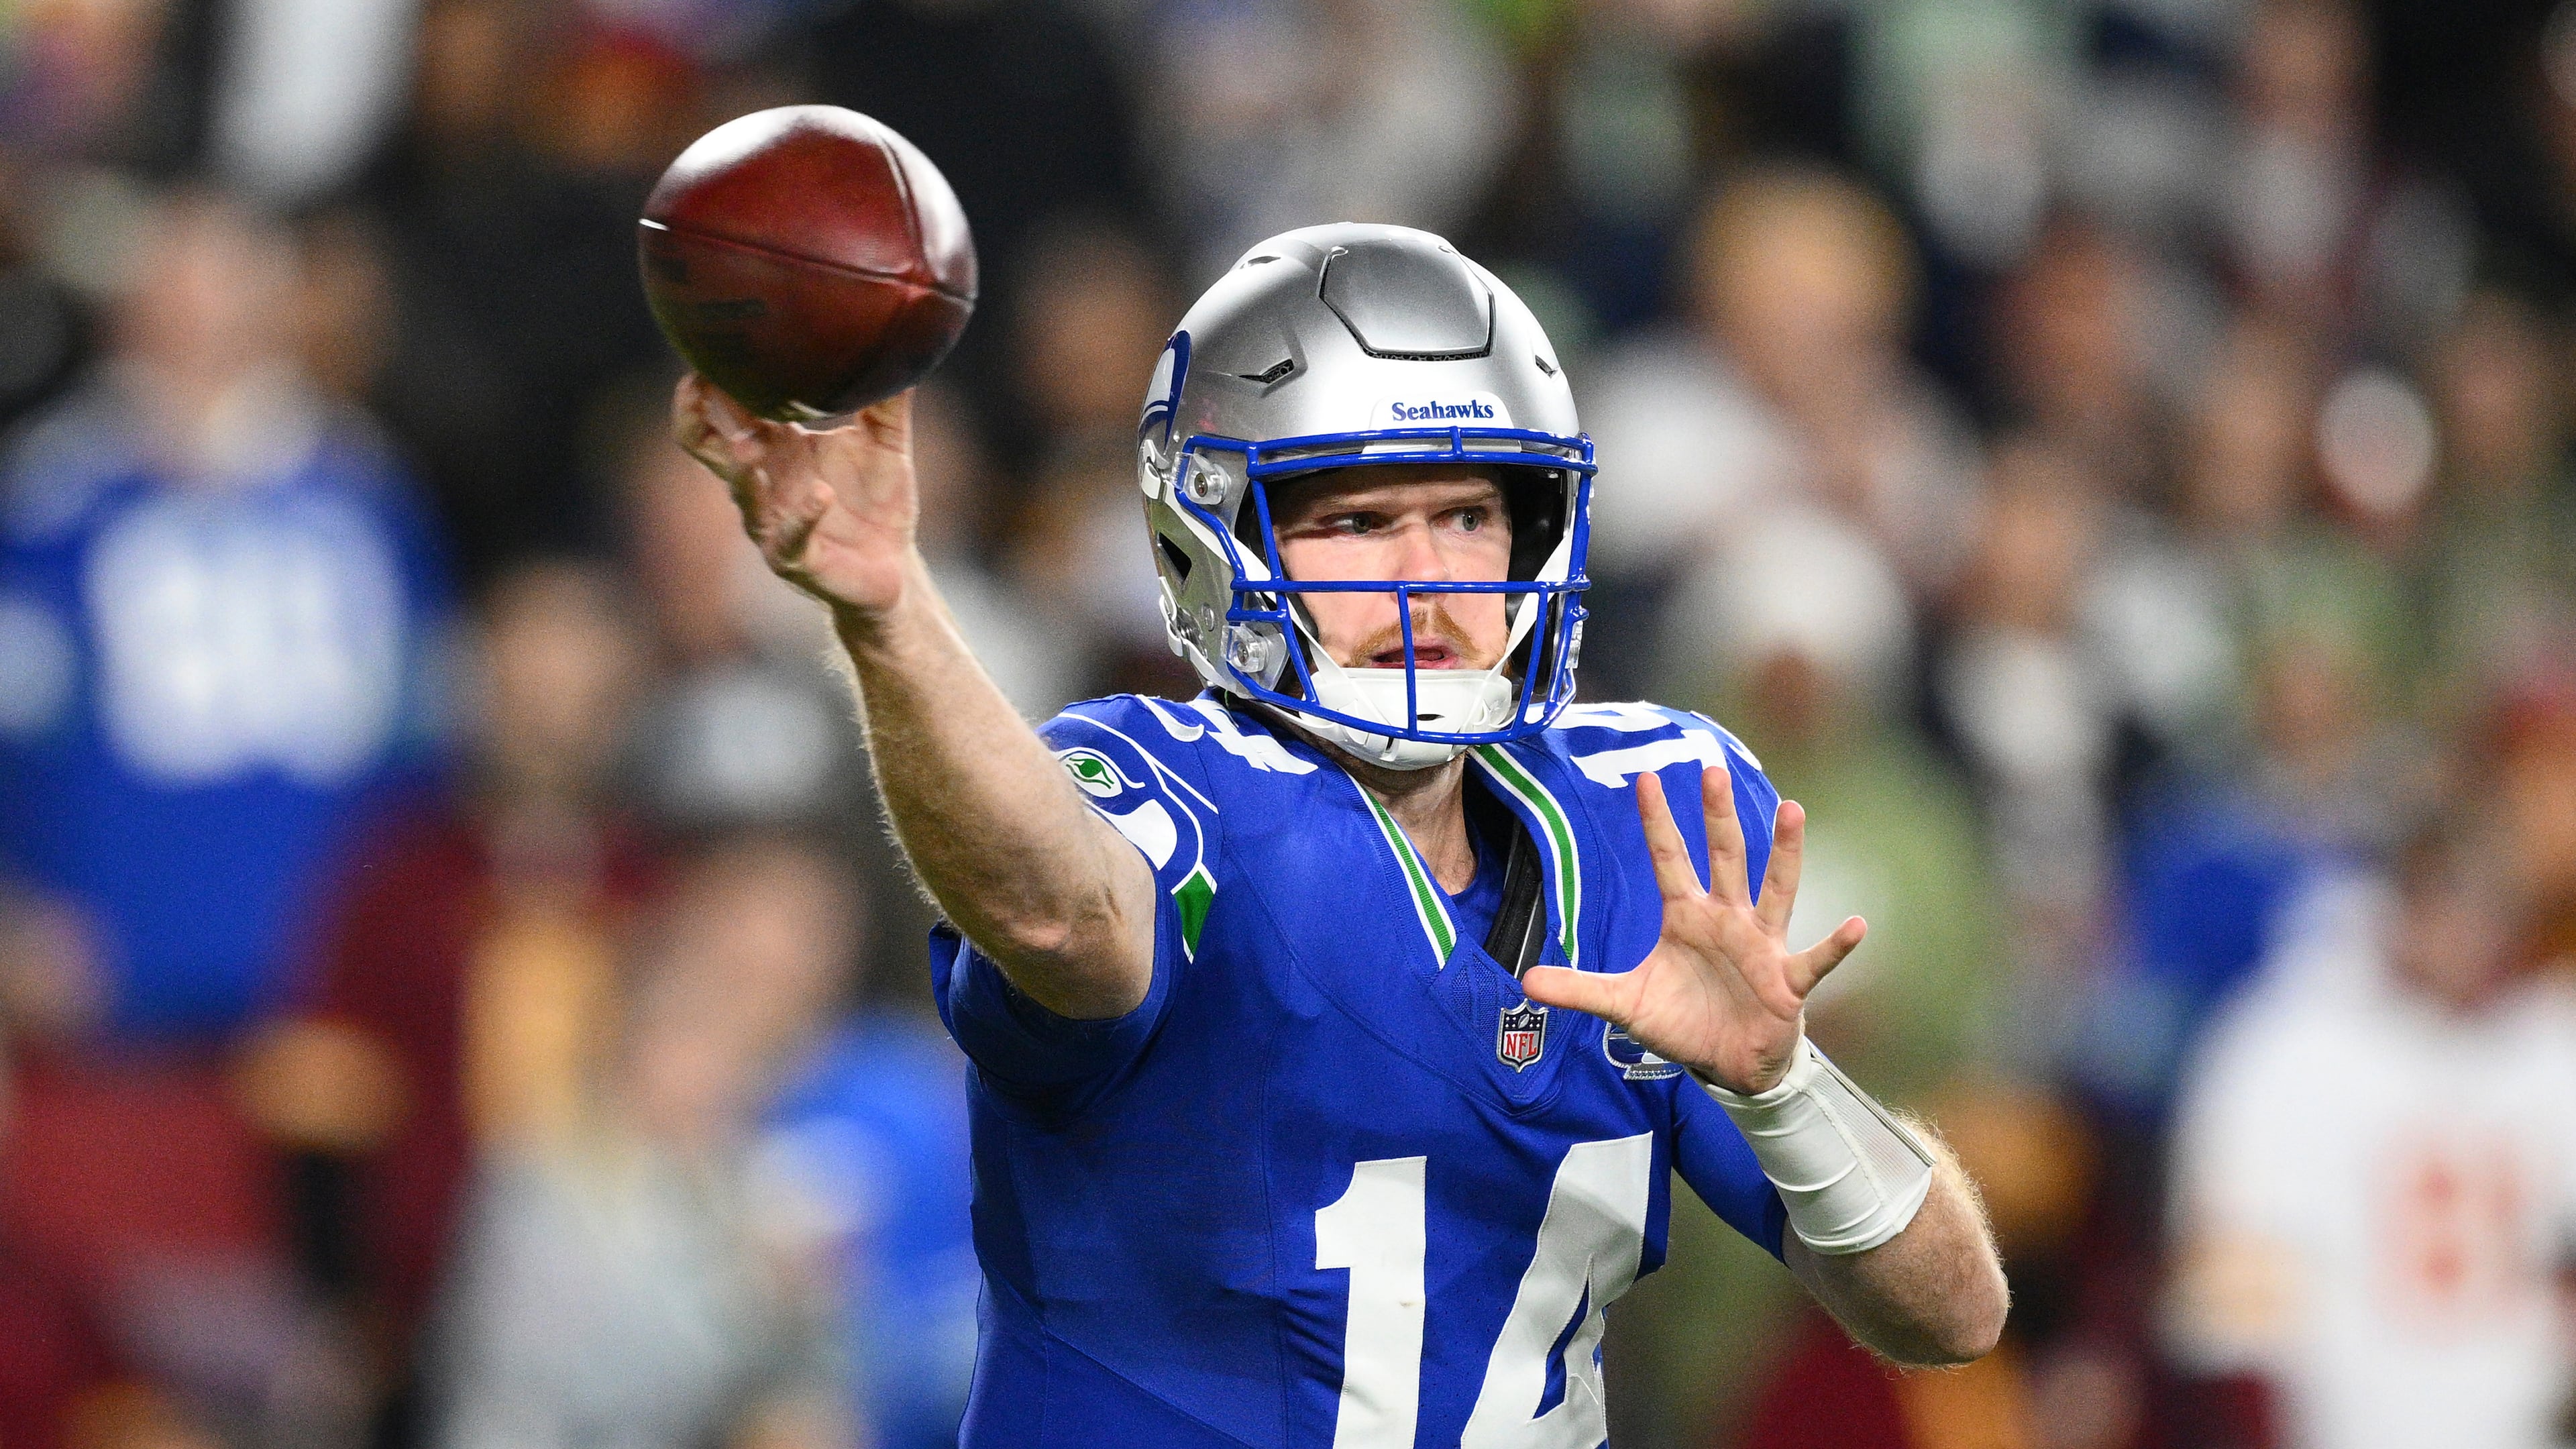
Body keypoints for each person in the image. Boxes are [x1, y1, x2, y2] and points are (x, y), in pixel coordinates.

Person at [674, 223, 2008, 1446]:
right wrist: (887, 611)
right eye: (1359, 523)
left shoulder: (1646, 816)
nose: (1427, 578)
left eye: (1469, 516)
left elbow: (1952, 1318)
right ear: (1218, 537)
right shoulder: (1168, 779)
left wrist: (1783, 1091)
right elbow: (1056, 911)